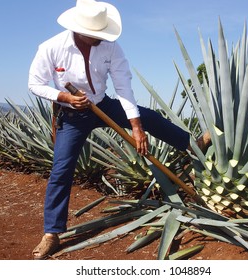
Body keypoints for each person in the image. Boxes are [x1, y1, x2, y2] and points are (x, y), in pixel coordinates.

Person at [28, 0, 210, 260]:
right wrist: (65, 98)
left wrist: (136, 127)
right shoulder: (51, 48)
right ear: (79, 29)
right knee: (61, 169)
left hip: (102, 105)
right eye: (95, 34)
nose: (100, 38)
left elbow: (123, 86)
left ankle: (191, 145)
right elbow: (35, 83)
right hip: (72, 114)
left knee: (150, 117)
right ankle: (52, 233)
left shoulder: (111, 47)